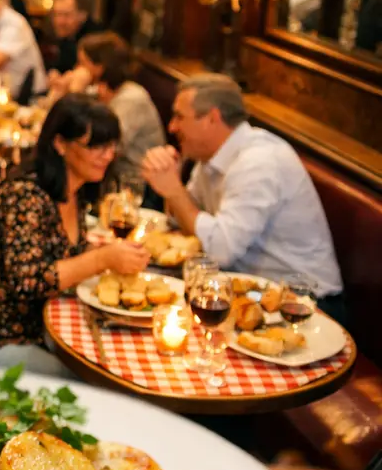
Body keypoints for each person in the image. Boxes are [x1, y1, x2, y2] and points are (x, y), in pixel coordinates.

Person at [0, 94, 150, 370]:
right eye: (95, 146)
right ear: (60, 143)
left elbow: (62, 257)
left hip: (28, 327)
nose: (107, 155)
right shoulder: (26, 196)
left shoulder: (74, 191)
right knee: (88, 380)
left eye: (111, 145)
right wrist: (102, 259)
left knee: (110, 356)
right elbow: (29, 281)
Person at [141, 74, 345, 311]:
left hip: (305, 303)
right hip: (251, 292)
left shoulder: (259, 162)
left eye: (179, 116)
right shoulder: (210, 156)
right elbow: (189, 220)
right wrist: (170, 185)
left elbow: (220, 250)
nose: (172, 126)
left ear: (212, 119)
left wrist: (174, 191)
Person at [75, 32, 163, 179]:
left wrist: (75, 93)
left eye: (83, 63)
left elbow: (108, 146)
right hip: (109, 172)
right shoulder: (101, 90)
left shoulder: (132, 99)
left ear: (100, 67)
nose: (77, 69)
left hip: (137, 180)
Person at [45, 0, 98, 75]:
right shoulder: (66, 37)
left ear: (82, 15)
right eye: (56, 14)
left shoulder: (95, 41)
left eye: (67, 15)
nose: (60, 21)